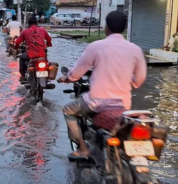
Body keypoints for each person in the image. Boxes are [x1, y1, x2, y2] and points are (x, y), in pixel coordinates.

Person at [59, 11, 147, 159]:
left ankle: (83, 148)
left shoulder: (96, 46)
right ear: (125, 28)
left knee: (68, 110)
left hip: (97, 103)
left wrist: (67, 78)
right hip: (123, 105)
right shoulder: (135, 49)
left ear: (107, 27)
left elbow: (76, 73)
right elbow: (139, 80)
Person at [15, 16, 52, 82]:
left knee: (22, 58)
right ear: (37, 23)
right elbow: (49, 39)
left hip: (30, 55)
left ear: (28, 24)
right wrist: (48, 44)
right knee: (47, 61)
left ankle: (23, 76)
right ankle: (47, 77)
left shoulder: (25, 31)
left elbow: (17, 42)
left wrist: (16, 47)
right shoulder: (42, 30)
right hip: (42, 55)